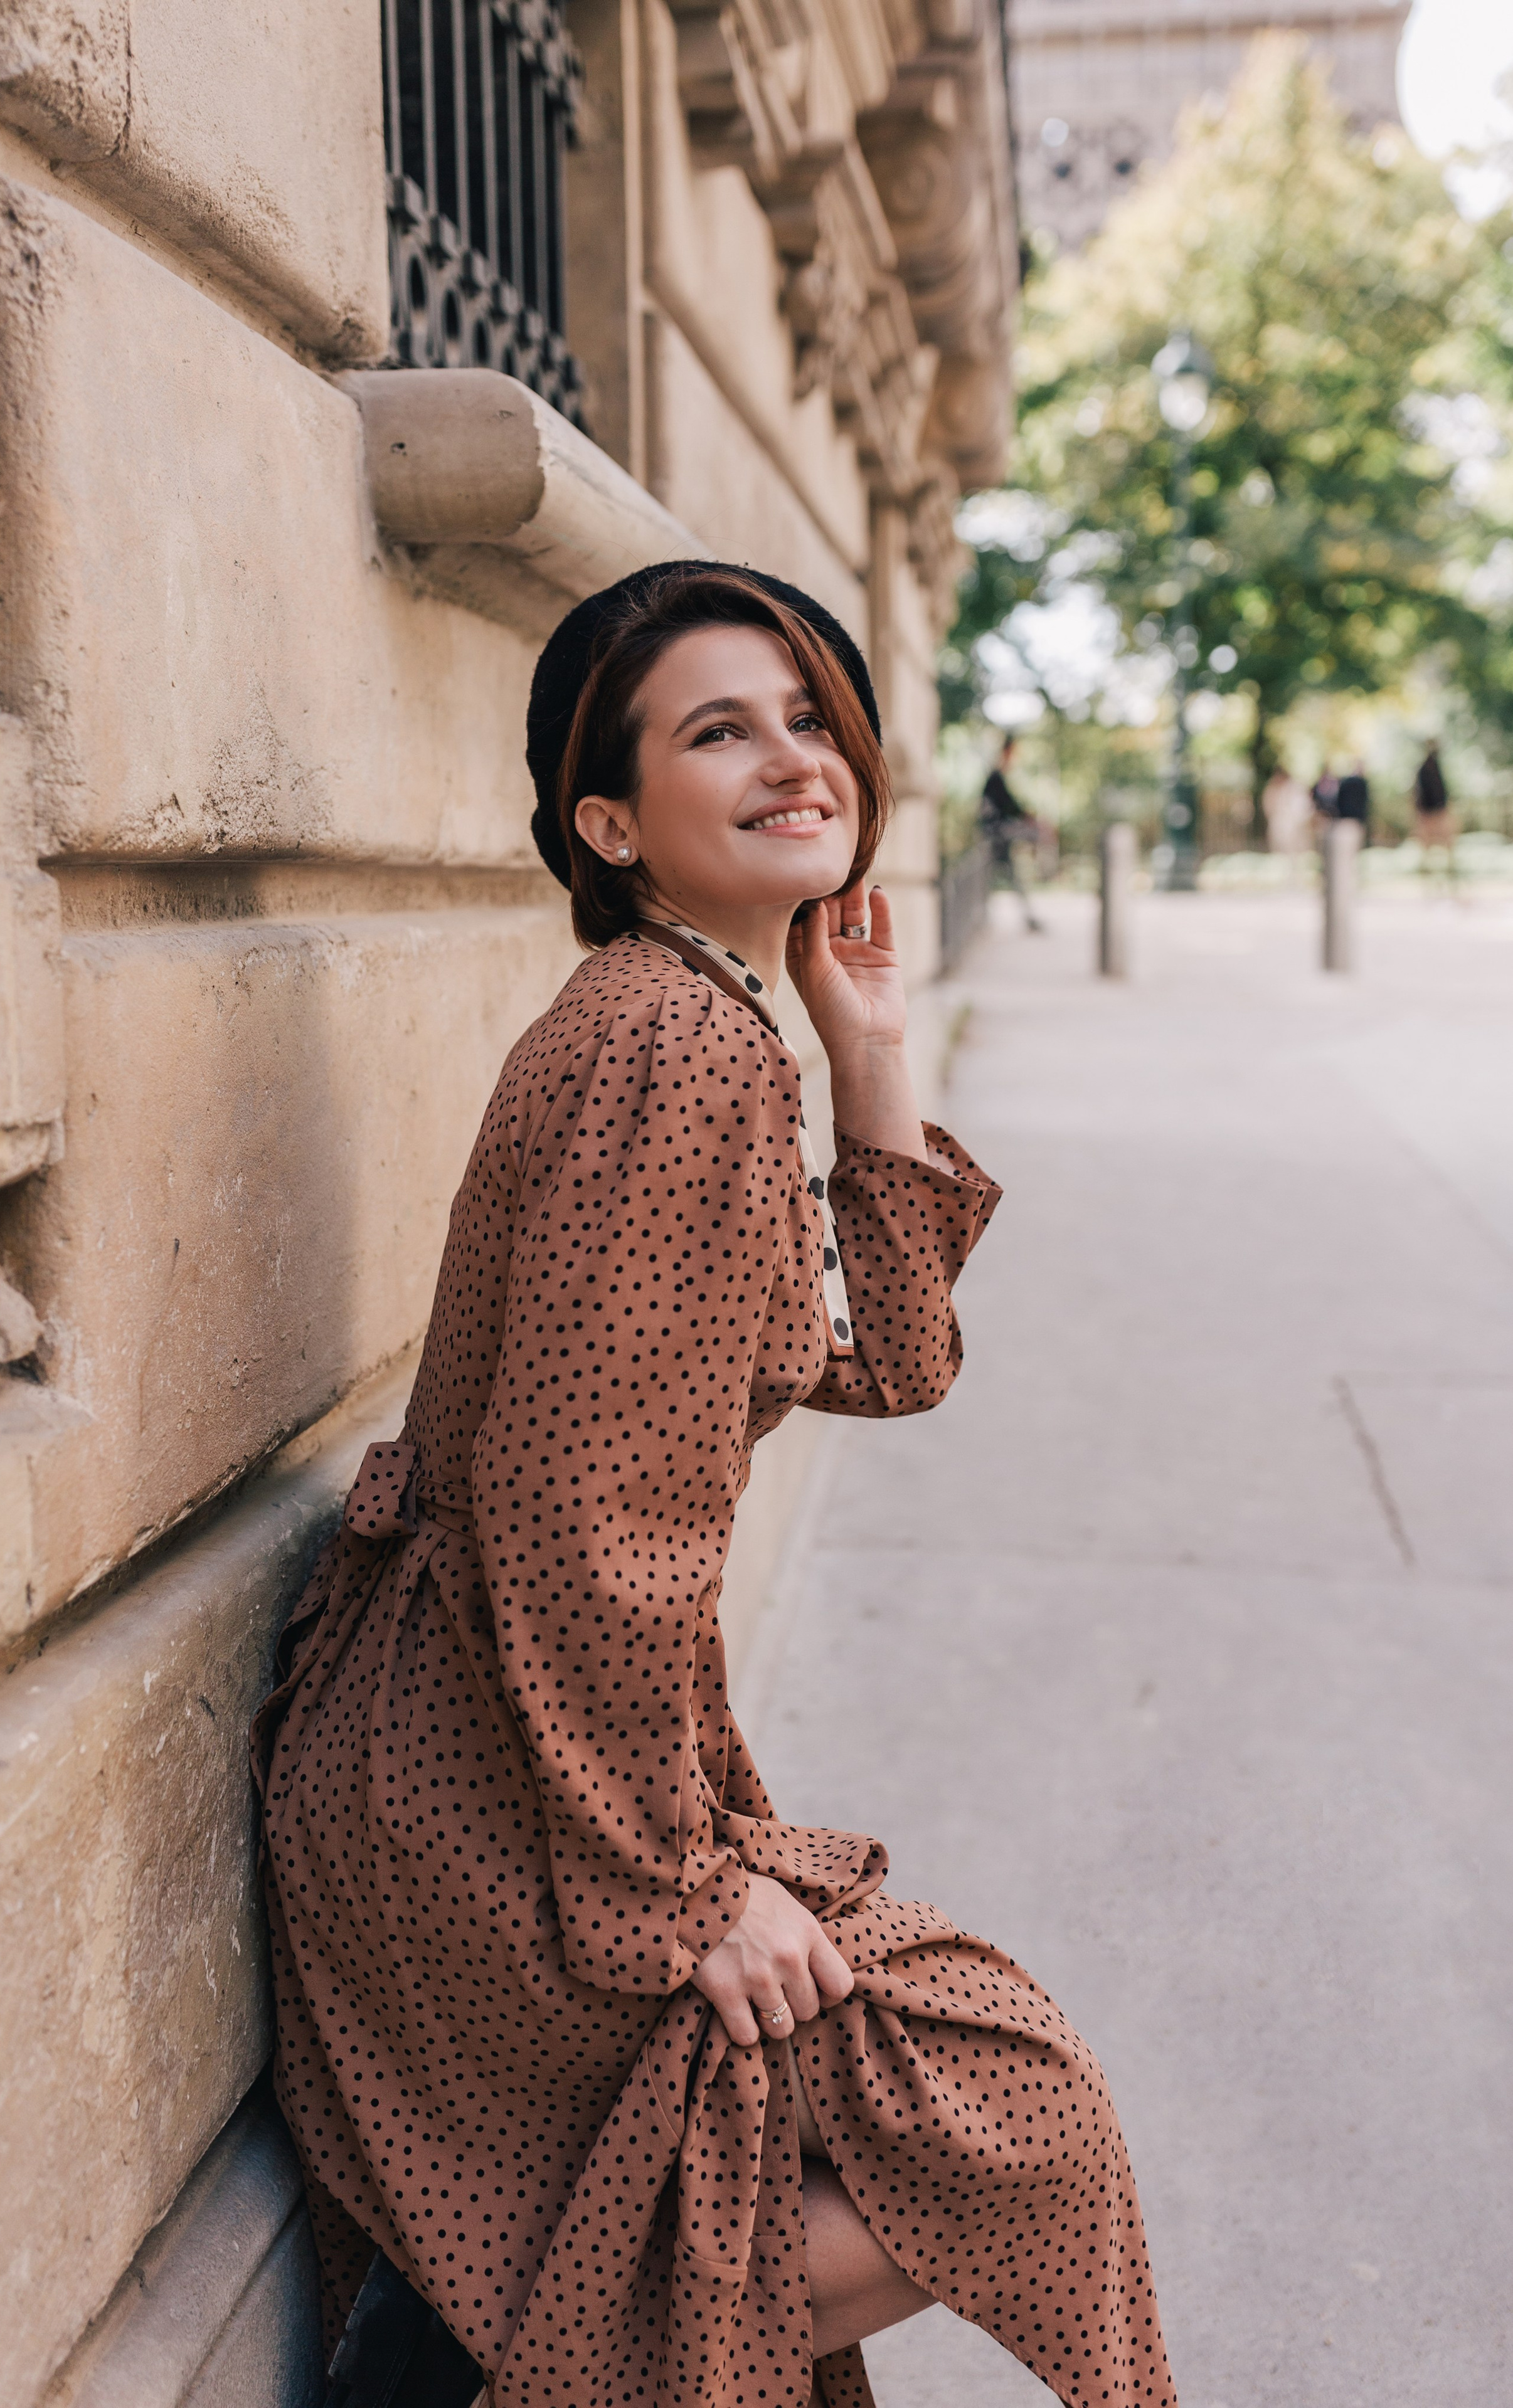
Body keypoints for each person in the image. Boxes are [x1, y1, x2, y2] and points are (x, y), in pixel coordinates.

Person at [253, 564, 1175, 2408]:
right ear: (611, 821)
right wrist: (679, 1887)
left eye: (806, 712)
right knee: (1020, 2125)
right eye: (716, 728)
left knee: (862, 2142)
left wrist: (868, 1050)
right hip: (488, 1789)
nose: (789, 753)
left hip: (507, 1751)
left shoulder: (717, 1020)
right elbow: (571, 1519)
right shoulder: (663, 1043)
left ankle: (517, 2352)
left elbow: (885, 1359)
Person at [980, 735, 1045, 931]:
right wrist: (1028, 818)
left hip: (998, 835)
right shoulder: (995, 777)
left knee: (1003, 875)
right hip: (996, 835)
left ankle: (1028, 918)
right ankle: (1025, 917)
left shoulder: (996, 777)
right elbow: (1007, 805)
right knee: (994, 876)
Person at [1413, 740, 1456, 875]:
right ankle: (1425, 867)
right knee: (1426, 843)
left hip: (1439, 811)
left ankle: (1450, 867)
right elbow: (1418, 792)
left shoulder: (1438, 767)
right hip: (1427, 812)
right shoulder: (1423, 769)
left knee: (1448, 840)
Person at [1261, 763, 1311, 854]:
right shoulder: (1272, 788)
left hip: (1293, 826)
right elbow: (1269, 807)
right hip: (1279, 825)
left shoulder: (1295, 788)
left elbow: (1301, 808)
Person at [1334, 759, 1371, 837]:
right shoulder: (1362, 783)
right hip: (1355, 820)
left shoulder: (1345, 782)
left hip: (1344, 819)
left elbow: (1338, 799)